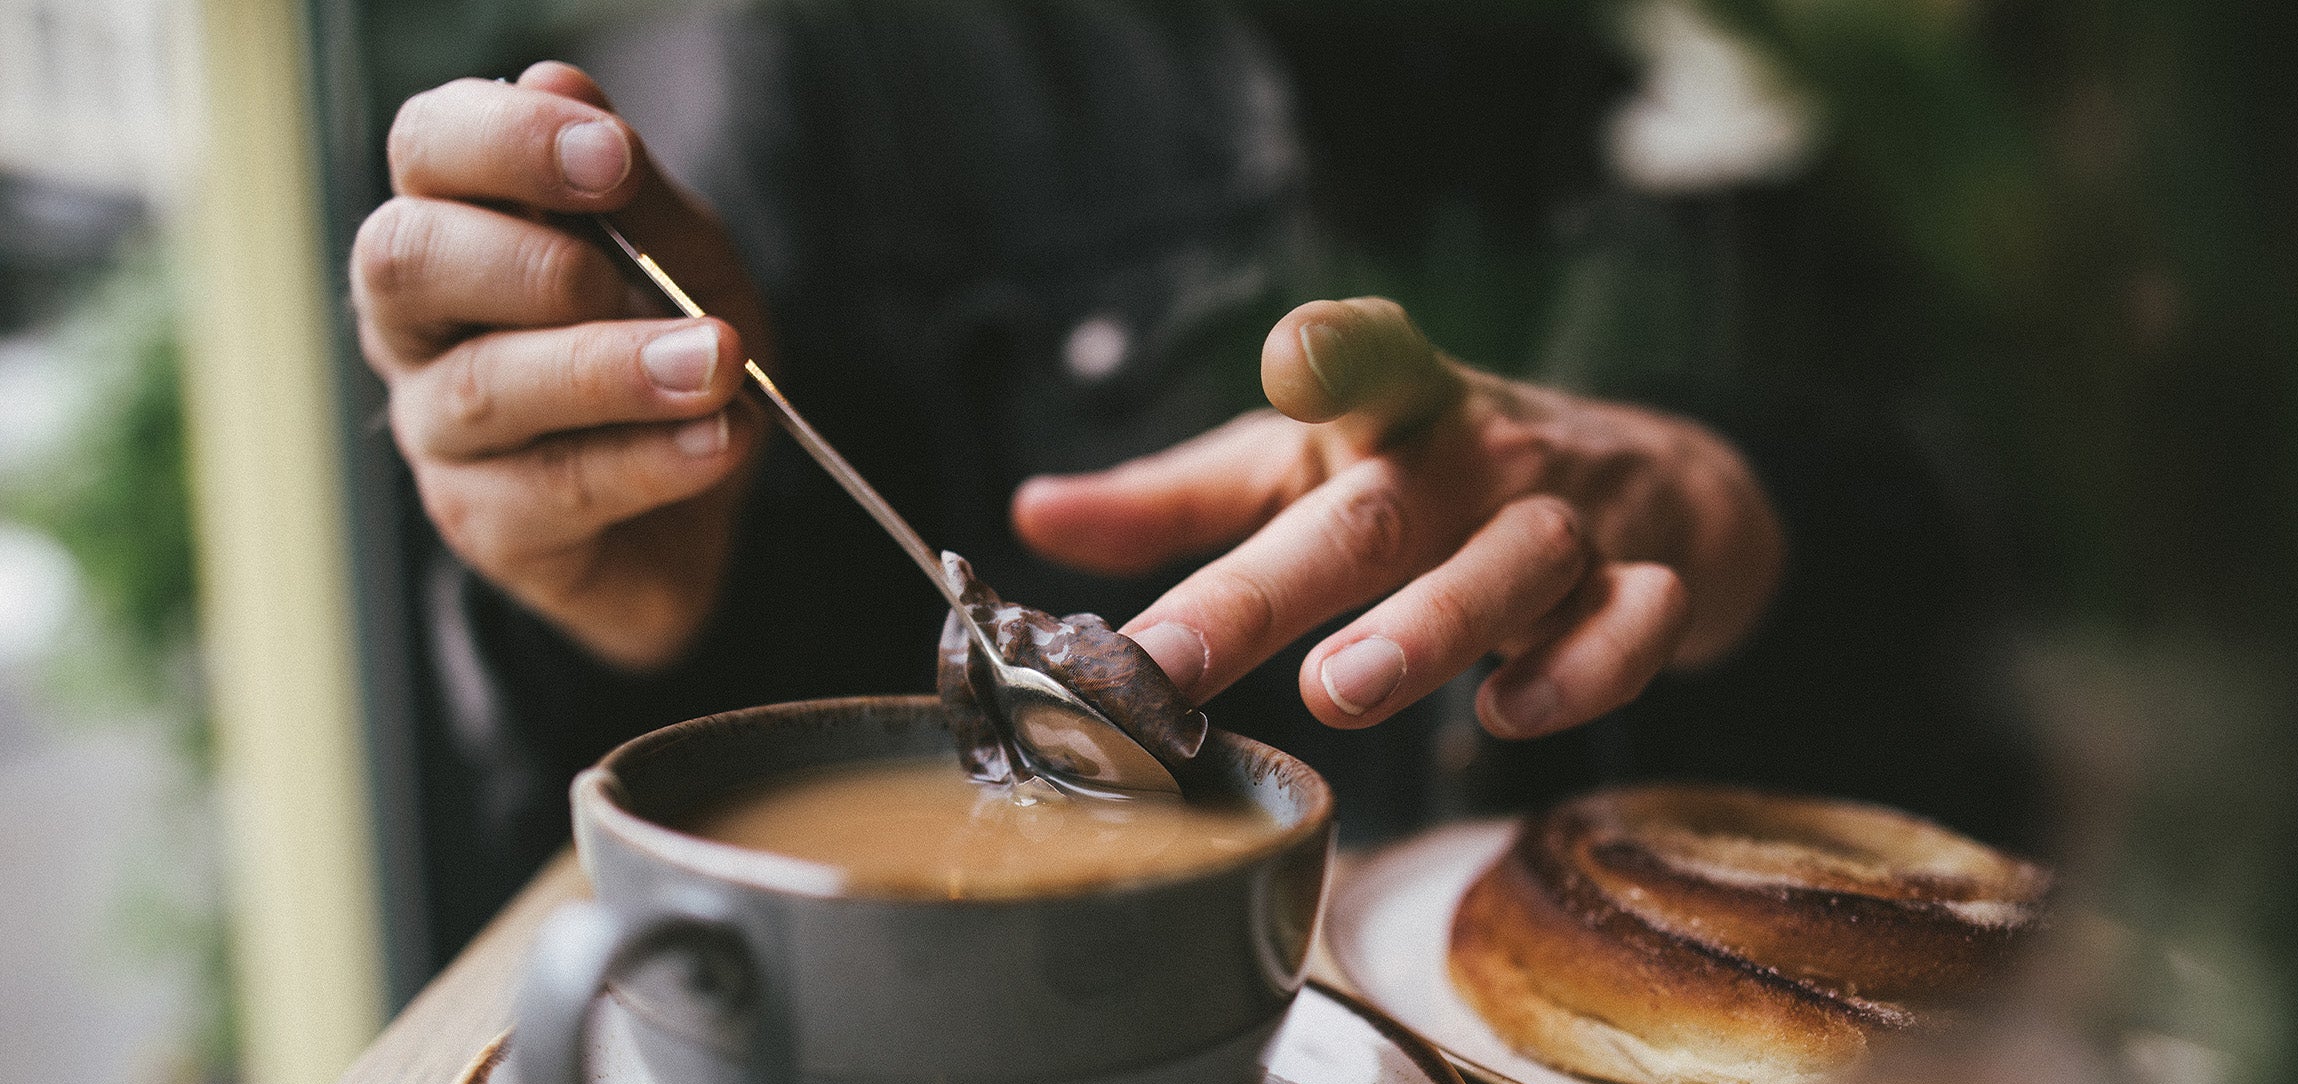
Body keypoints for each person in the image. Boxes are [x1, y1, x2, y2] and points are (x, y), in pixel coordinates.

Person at [353, 4, 2028, 942]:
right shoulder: (806, 69)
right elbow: (678, 858)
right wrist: (618, 603)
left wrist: (1740, 512)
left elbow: (2066, 571)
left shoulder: (1846, 71)